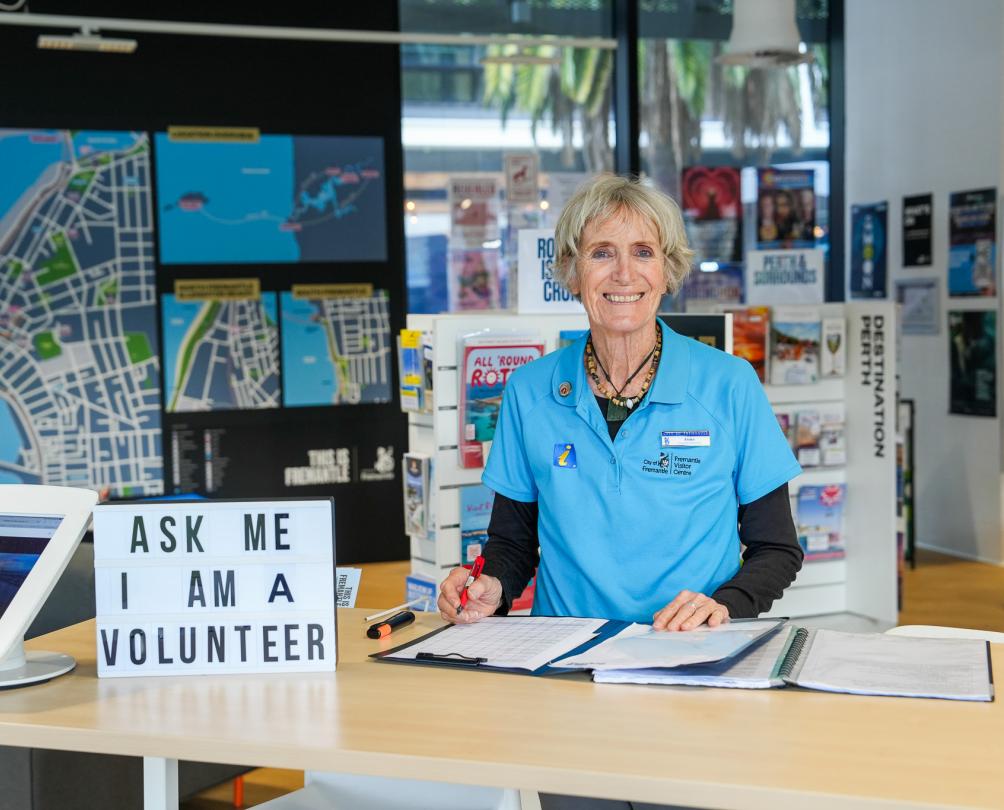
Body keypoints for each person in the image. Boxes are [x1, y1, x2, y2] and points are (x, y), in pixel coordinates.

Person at [437, 173, 802, 636]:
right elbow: (512, 543)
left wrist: (724, 605)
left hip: (688, 652)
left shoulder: (729, 385)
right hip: (563, 654)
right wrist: (492, 585)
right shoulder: (529, 390)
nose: (624, 274)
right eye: (602, 252)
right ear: (572, 270)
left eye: (643, 252)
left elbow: (777, 548)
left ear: (668, 270)